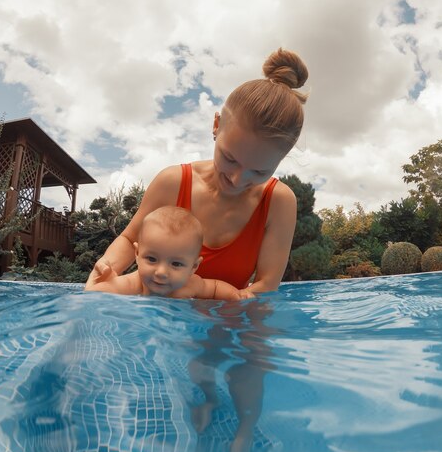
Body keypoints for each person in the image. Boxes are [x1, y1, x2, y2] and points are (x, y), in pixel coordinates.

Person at [86, 47, 308, 294]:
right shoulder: (172, 182)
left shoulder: (278, 203)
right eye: (230, 158)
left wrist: (207, 308)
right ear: (216, 125)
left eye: (258, 172)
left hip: (224, 323)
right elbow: (129, 240)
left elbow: (266, 285)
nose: (236, 179)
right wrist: (105, 272)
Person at [85, 206, 252, 300]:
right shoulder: (131, 285)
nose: (162, 272)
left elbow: (215, 288)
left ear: (194, 266)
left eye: (176, 264)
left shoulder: (190, 285)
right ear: (137, 253)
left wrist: (236, 295)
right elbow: (92, 298)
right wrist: (94, 288)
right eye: (151, 259)